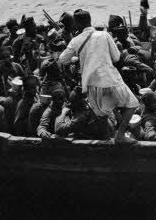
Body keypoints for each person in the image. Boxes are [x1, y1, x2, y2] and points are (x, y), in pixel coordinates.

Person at [58, 10, 141, 144]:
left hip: (91, 83)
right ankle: (120, 135)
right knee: (132, 104)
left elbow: (62, 60)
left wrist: (75, 59)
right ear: (90, 20)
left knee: (101, 114)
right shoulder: (104, 35)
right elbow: (116, 57)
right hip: (110, 79)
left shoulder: (75, 40)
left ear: (77, 23)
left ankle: (107, 140)